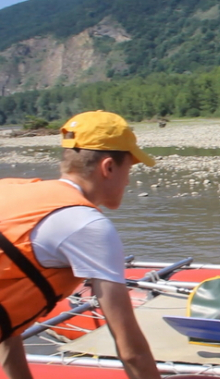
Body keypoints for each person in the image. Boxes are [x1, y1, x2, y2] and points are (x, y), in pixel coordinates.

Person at [0, 111, 160, 379]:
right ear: (108, 167)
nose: (129, 181)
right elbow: (131, 351)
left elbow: (9, 330)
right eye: (128, 169)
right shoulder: (87, 226)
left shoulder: (10, 189)